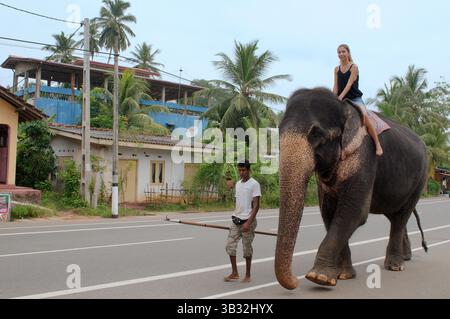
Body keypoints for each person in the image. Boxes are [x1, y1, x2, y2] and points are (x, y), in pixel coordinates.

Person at [334, 44, 384, 160]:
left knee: (364, 116)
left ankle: (377, 144)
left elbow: (349, 84)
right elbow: (336, 86)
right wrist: (333, 98)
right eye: (339, 52)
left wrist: (341, 97)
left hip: (354, 99)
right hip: (342, 99)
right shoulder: (336, 69)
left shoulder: (353, 67)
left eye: (343, 52)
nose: (341, 54)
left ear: (348, 53)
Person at [224, 161, 261, 283]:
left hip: (247, 221)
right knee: (230, 246)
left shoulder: (254, 184)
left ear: (249, 170)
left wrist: (248, 223)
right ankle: (234, 273)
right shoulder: (238, 184)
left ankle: (248, 274)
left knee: (247, 249)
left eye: (244, 170)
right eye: (240, 170)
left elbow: (256, 206)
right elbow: (239, 202)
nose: (241, 173)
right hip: (236, 219)